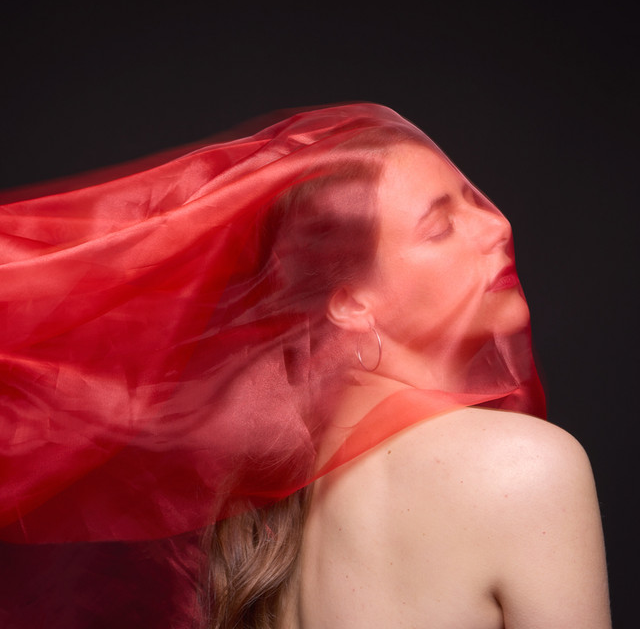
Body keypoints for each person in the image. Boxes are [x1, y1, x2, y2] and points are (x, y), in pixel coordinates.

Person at [0, 104, 610, 628]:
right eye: (440, 227)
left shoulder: (291, 500)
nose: (497, 226)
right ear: (351, 304)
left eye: (472, 200)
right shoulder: (525, 467)